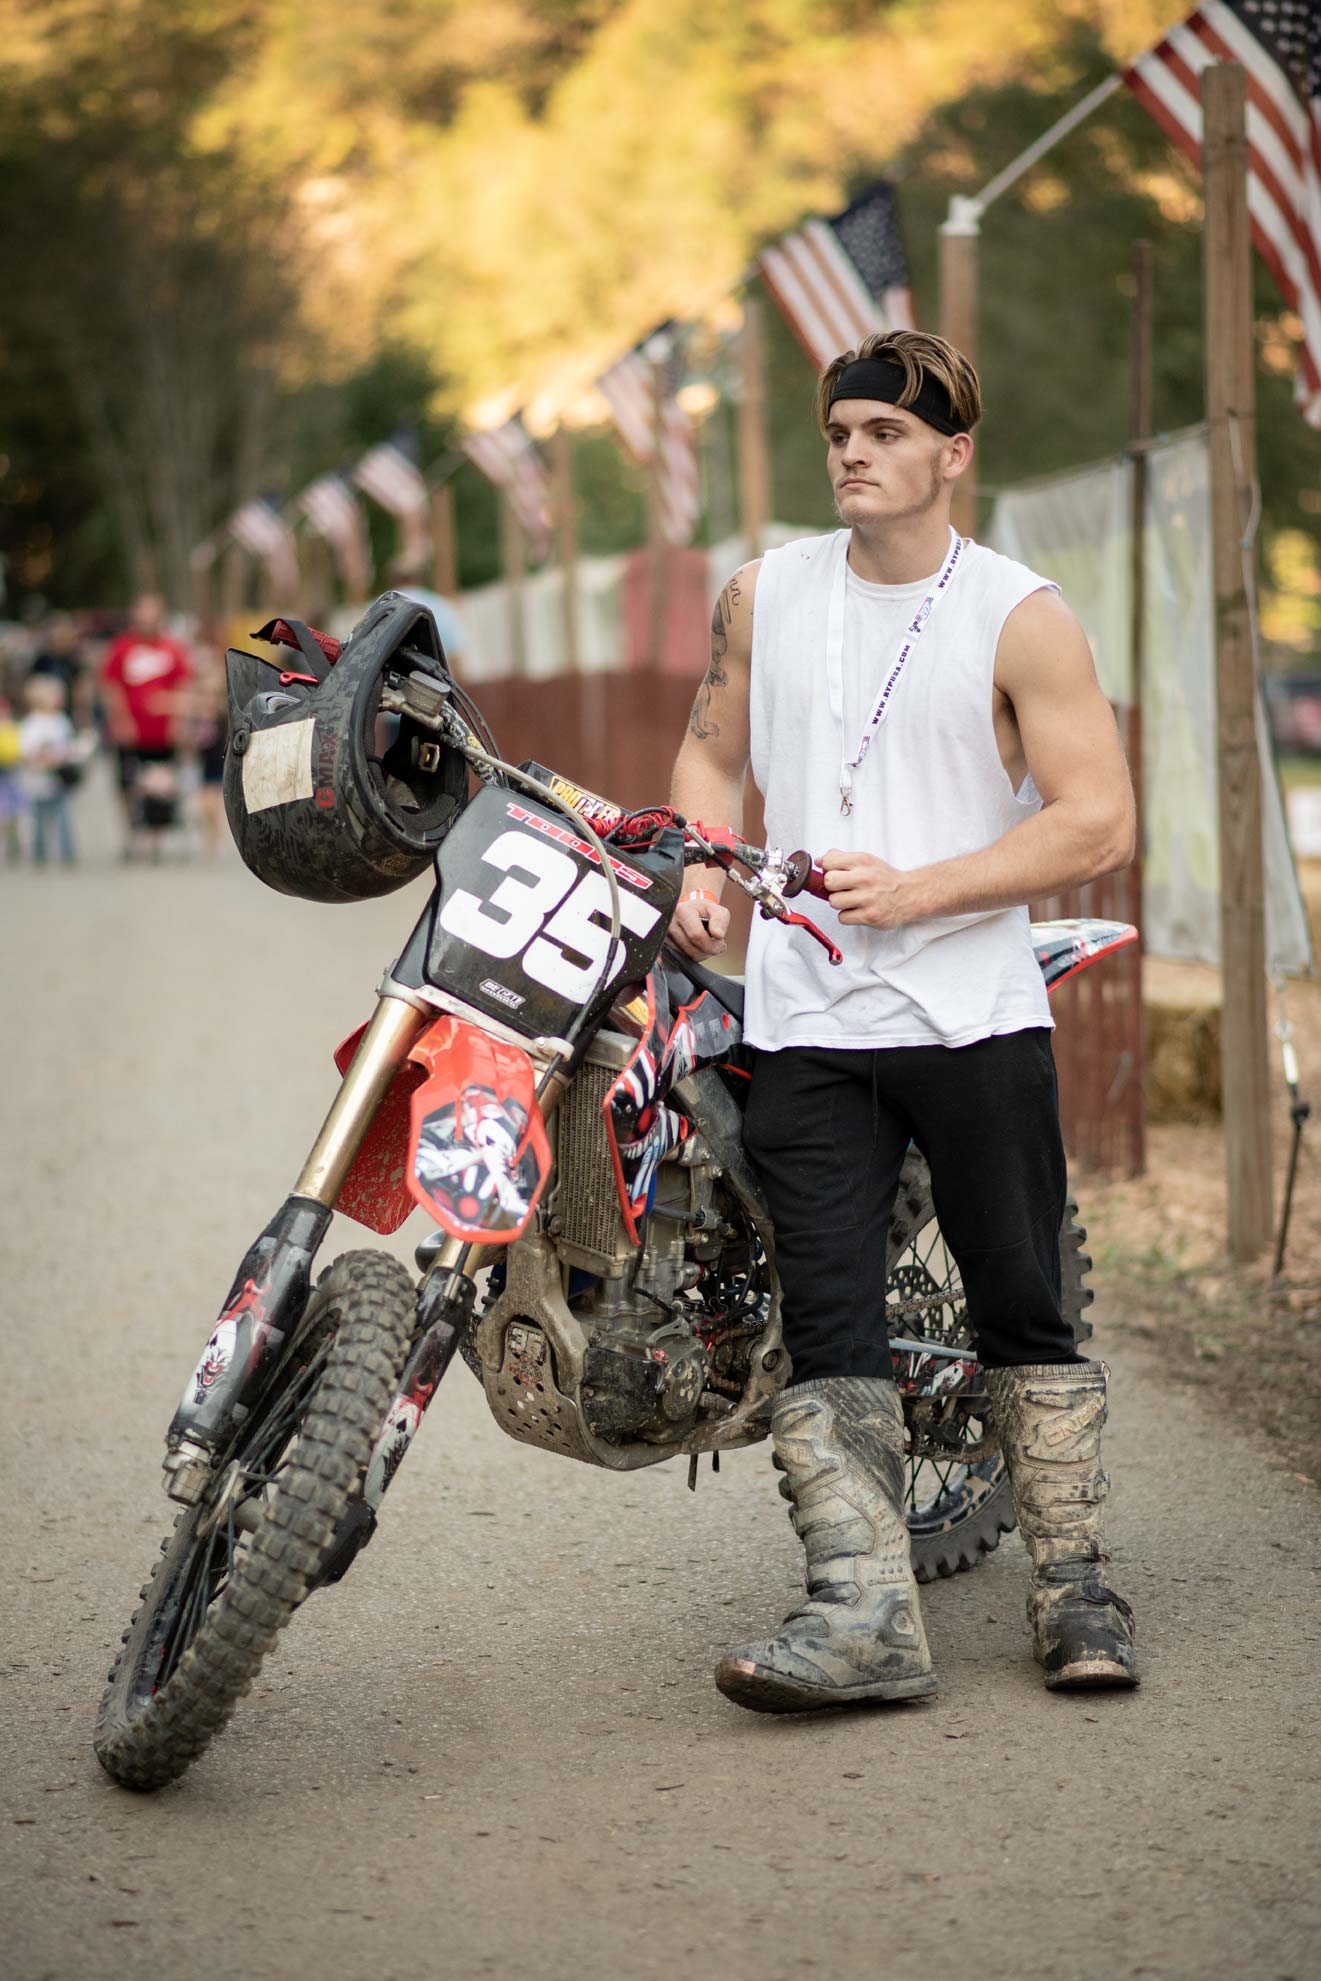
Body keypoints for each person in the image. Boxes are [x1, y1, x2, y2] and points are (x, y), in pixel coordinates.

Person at [668, 329, 1138, 1713]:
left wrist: (922, 889)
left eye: (885, 432)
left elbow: (1095, 818)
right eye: (841, 434)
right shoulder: (765, 592)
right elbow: (712, 743)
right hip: (809, 1022)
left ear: (952, 454)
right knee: (829, 1319)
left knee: (1016, 1304)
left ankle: (1073, 1584)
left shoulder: (1018, 613)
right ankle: (863, 1613)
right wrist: (703, 856)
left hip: (973, 1020)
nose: (856, 453)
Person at [100, 594, 192, 855]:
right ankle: (131, 835)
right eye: (142, 616)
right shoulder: (122, 648)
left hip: (163, 734)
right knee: (127, 785)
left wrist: (179, 720)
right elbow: (111, 686)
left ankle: (156, 837)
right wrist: (119, 720)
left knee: (162, 785)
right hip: (131, 733)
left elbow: (182, 686)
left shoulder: (172, 649)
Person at [17, 673, 77, 865]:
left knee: (62, 818)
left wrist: (63, 756)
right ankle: (38, 853)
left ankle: (67, 852)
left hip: (58, 779)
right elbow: (26, 750)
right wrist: (42, 757)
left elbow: (68, 746)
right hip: (36, 780)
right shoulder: (31, 724)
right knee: (37, 819)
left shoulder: (61, 721)